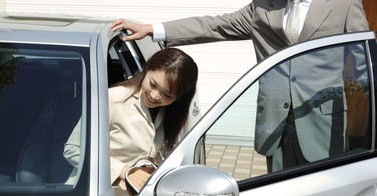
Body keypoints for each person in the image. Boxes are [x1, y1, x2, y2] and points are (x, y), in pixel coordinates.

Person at [111, 0, 370, 172]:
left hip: (324, 121)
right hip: (276, 121)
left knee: (323, 193)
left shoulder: (344, 3)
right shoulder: (264, 5)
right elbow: (216, 25)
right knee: (280, 194)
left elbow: (363, 62)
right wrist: (152, 28)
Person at [64, 47, 198, 196]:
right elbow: (73, 150)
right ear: (147, 68)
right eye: (153, 84)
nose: (155, 96)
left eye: (167, 95)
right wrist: (124, 171)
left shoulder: (172, 114)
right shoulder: (112, 99)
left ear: (179, 98)